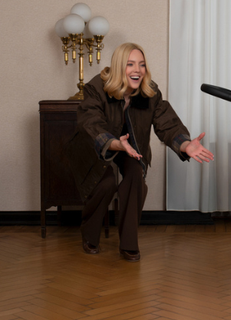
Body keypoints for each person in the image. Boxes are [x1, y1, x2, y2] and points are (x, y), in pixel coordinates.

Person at [68, 42, 213, 262]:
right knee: (105, 183)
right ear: (119, 66)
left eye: (142, 64)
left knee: (135, 176)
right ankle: (89, 235)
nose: (137, 70)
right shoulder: (96, 88)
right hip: (97, 147)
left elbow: (167, 123)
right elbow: (91, 123)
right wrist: (115, 143)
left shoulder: (150, 92)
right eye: (130, 64)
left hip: (131, 146)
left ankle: (128, 243)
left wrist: (184, 144)